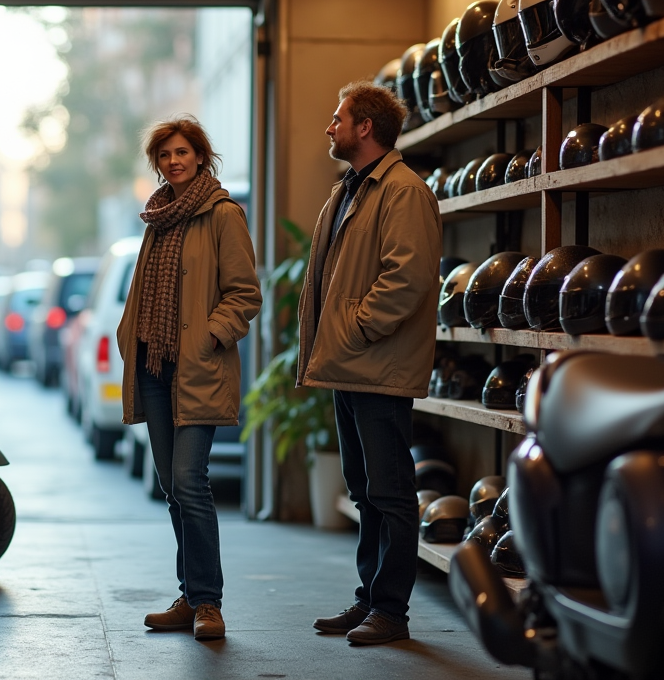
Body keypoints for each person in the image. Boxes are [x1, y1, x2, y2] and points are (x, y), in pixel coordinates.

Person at [298, 80, 442, 645]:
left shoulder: (402, 191)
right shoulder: (351, 189)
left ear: (365, 127)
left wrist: (356, 327)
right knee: (364, 490)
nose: (329, 127)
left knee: (391, 492)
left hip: (377, 365)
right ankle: (369, 600)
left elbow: (407, 278)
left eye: (338, 118)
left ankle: (391, 612)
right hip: (349, 363)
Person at [117, 114, 262, 642]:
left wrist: (208, 337)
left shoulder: (223, 214)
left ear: (200, 156)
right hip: (155, 367)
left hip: (198, 368)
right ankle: (189, 595)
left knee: (189, 482)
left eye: (182, 152)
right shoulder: (157, 217)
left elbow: (245, 294)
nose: (173, 161)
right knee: (171, 487)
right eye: (164, 154)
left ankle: (208, 604)